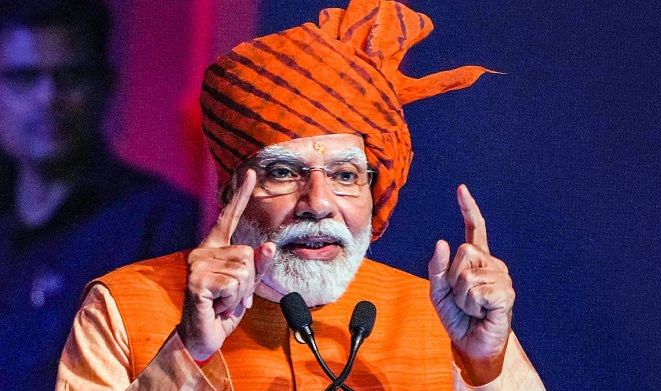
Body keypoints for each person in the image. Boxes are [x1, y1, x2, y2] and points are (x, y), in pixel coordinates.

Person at [58, 0, 544, 389]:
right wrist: (186, 355)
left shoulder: (440, 321)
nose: (318, 202)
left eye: (346, 176)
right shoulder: (125, 305)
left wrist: (485, 370)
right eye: (284, 172)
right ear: (233, 192)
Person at [0, 1, 200, 389]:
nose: (48, 98)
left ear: (106, 85)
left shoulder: (160, 224)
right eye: (24, 78)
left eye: (71, 77)